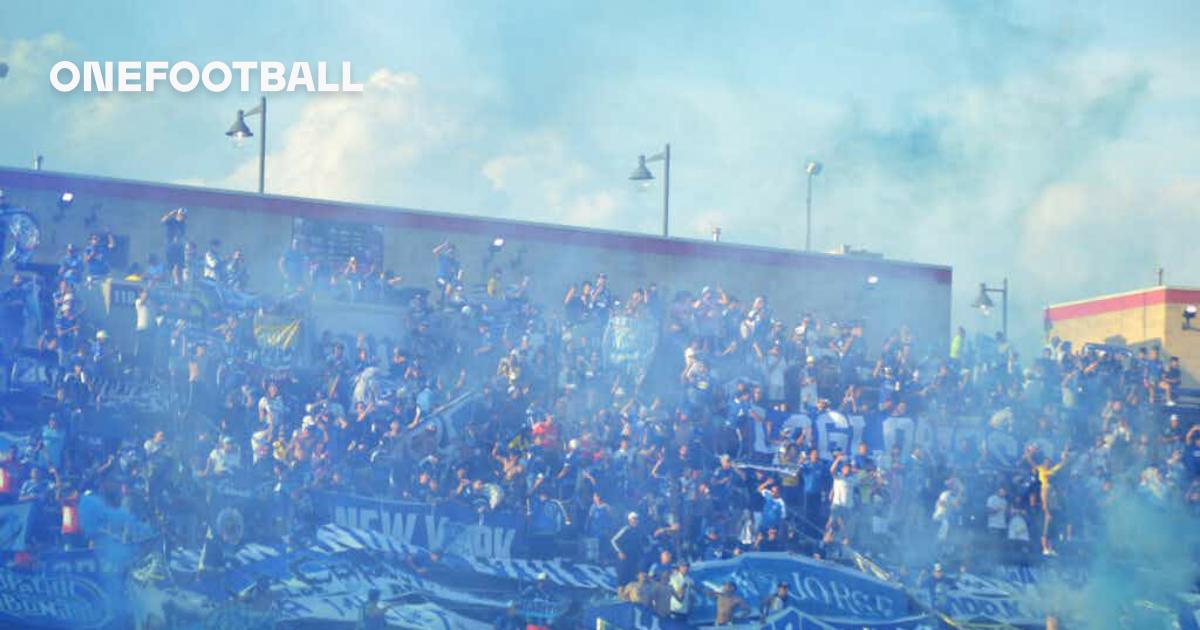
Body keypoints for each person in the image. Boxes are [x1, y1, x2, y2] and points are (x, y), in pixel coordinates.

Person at [611, 511, 647, 588]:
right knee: (623, 576)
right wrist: (620, 552)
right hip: (625, 557)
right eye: (634, 519)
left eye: (637, 519)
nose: (636, 521)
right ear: (629, 520)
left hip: (635, 558)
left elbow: (644, 542)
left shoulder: (639, 531)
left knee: (633, 577)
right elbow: (613, 540)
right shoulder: (626, 529)